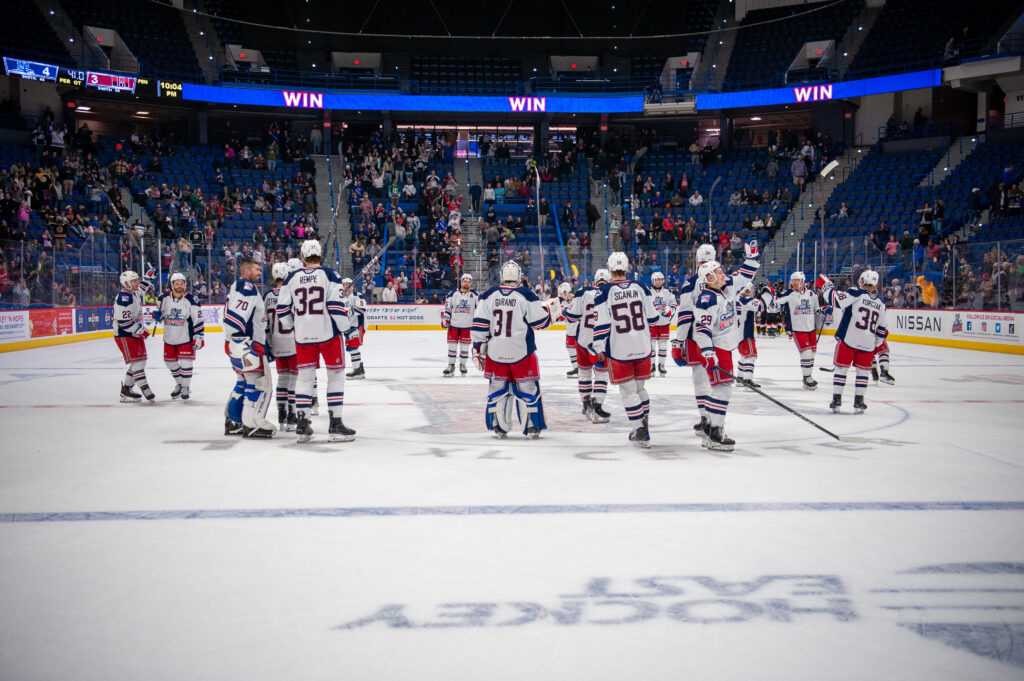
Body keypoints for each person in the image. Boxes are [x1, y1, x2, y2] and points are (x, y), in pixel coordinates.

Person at [681, 248, 760, 451]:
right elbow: (701, 329)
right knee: (722, 388)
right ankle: (715, 432)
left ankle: (712, 431)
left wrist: (751, 258)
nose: (724, 273)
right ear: (709, 277)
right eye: (719, 272)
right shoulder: (707, 299)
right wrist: (708, 352)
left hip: (724, 347)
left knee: (721, 388)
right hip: (716, 349)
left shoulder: (727, 288)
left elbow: (744, 276)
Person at [276, 240, 354, 442]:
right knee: (335, 376)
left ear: (302, 257)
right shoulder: (329, 275)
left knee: (304, 378)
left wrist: (293, 325)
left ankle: (302, 425)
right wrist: (347, 328)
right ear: (319, 255)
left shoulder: (292, 278)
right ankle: (335, 425)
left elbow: (282, 309)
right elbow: (336, 306)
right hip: (328, 335)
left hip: (303, 337)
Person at [471, 260, 553, 439]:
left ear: (502, 276)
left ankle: (498, 425)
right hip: (521, 353)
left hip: (495, 352)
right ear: (518, 276)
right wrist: (550, 313)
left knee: (497, 388)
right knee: (527, 389)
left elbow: (479, 327)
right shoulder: (526, 294)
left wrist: (477, 348)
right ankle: (531, 426)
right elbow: (540, 322)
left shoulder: (488, 295)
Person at [592, 253, 661, 448]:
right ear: (627, 267)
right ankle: (643, 424)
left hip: (620, 349)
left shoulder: (603, 291)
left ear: (610, 269)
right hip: (643, 346)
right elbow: (654, 319)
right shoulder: (641, 287)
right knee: (640, 389)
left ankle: (639, 428)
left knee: (628, 391)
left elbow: (602, 324)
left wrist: (598, 347)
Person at [820, 270, 888, 414]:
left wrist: (825, 285)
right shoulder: (881, 304)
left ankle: (837, 399)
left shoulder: (856, 293)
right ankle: (859, 401)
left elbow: (835, 300)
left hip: (849, 340)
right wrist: (874, 345)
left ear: (861, 281)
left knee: (841, 370)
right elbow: (882, 330)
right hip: (868, 344)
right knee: (863, 372)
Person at [223, 257, 276, 438]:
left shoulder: (238, 286)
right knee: (258, 383)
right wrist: (243, 345)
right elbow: (235, 320)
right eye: (256, 269)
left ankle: (234, 421)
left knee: (242, 382)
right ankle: (252, 423)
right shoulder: (247, 287)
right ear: (246, 271)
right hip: (245, 345)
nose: (260, 272)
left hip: (239, 344)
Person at [671, 243, 719, 435]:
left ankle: (706, 418)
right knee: (717, 380)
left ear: (697, 261)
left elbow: (684, 314)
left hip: (697, 336)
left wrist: (678, 341)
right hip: (719, 337)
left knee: (700, 379)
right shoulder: (725, 280)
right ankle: (716, 419)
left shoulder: (690, 283)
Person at [564, 269, 613, 424]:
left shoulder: (583, 292)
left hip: (583, 340)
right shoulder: (611, 292)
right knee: (601, 374)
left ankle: (586, 403)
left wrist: (565, 309)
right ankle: (597, 404)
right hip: (603, 342)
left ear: (594, 281)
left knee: (584, 374)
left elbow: (571, 316)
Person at [154, 272, 204, 401]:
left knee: (186, 362)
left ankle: (185, 388)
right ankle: (181, 384)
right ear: (172, 285)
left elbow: (198, 319)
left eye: (182, 283)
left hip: (186, 337)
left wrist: (199, 336)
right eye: (177, 284)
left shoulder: (192, 300)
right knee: (170, 363)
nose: (180, 286)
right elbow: (159, 314)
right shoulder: (163, 298)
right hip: (169, 337)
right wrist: (157, 315)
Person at [264, 261, 299, 432]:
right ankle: (292, 417)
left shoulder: (267, 296)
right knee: (294, 380)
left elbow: (264, 323)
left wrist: (268, 342)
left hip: (275, 343)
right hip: (291, 342)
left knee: (282, 379)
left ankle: (281, 416)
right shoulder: (290, 294)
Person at [113, 270, 155, 403]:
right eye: (134, 281)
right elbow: (124, 322)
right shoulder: (124, 299)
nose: (137, 283)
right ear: (126, 283)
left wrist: (148, 277)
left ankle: (126, 389)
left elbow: (141, 289)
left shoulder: (134, 292)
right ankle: (145, 388)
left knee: (140, 361)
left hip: (133, 333)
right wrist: (140, 330)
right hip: (125, 334)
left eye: (137, 280)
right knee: (137, 363)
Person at [776, 271, 820, 390]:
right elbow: (777, 301)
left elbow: (816, 308)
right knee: (806, 353)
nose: (793, 283)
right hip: (798, 329)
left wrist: (821, 310)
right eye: (793, 280)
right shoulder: (790, 294)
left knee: (812, 354)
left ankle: (807, 376)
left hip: (811, 328)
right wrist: (772, 300)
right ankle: (807, 377)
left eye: (796, 280)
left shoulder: (812, 294)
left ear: (802, 281)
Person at [441, 273, 479, 377]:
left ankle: (463, 365)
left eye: (468, 282)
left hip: (467, 326)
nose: (466, 283)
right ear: (461, 281)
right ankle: (451, 365)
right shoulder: (453, 293)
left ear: (470, 283)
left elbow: (479, 309)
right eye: (464, 281)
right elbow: (448, 307)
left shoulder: (475, 295)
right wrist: (446, 319)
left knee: (464, 347)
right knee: (452, 346)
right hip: (454, 325)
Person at [736, 283, 768, 388]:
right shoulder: (747, 300)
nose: (753, 290)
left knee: (744, 356)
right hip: (746, 333)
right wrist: (767, 294)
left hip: (738, 334)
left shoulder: (736, 299)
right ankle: (747, 380)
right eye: (751, 289)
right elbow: (762, 306)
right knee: (751, 356)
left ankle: (740, 378)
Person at [647, 271, 676, 376]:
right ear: (653, 280)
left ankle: (662, 365)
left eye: (661, 279)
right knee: (651, 346)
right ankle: (652, 366)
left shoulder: (667, 291)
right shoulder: (648, 292)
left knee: (663, 345)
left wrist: (669, 310)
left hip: (664, 323)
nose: (659, 282)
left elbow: (673, 304)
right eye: (657, 279)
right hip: (652, 324)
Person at [340, 277, 367, 380]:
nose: (346, 287)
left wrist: (347, 310)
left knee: (353, 347)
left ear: (352, 286)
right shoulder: (342, 298)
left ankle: (357, 371)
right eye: (344, 285)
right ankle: (359, 369)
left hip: (356, 325)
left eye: (348, 284)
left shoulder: (356, 295)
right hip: (348, 326)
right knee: (352, 348)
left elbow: (362, 310)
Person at [557, 282, 579, 378]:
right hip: (570, 331)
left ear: (566, 292)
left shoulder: (578, 299)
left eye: (562, 294)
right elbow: (563, 315)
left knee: (585, 349)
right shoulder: (563, 303)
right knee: (570, 348)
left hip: (580, 330)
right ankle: (576, 368)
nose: (561, 297)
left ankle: (592, 367)